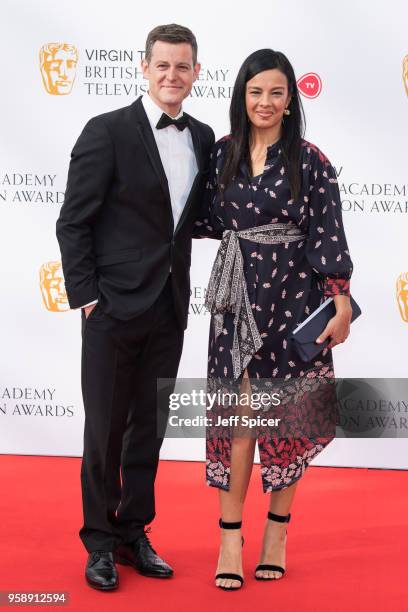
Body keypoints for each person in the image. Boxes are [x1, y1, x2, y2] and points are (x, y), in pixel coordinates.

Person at [56, 23, 214, 591]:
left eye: (183, 66)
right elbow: (73, 221)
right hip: (112, 309)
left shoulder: (202, 137)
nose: (173, 76)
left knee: (149, 429)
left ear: (197, 72)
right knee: (103, 432)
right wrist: (89, 298)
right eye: (163, 65)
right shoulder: (107, 131)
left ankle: (132, 532)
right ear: (144, 68)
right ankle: (97, 542)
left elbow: (199, 220)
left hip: (170, 307)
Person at [194, 49, 353, 590]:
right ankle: (229, 539)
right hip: (236, 304)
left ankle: (276, 534)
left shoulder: (309, 160)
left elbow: (328, 233)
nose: (265, 102)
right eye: (256, 91)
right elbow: (195, 220)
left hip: (293, 299)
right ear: (242, 96)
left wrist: (341, 299)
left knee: (287, 421)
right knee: (238, 422)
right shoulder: (221, 155)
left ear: (290, 101)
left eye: (276, 93)